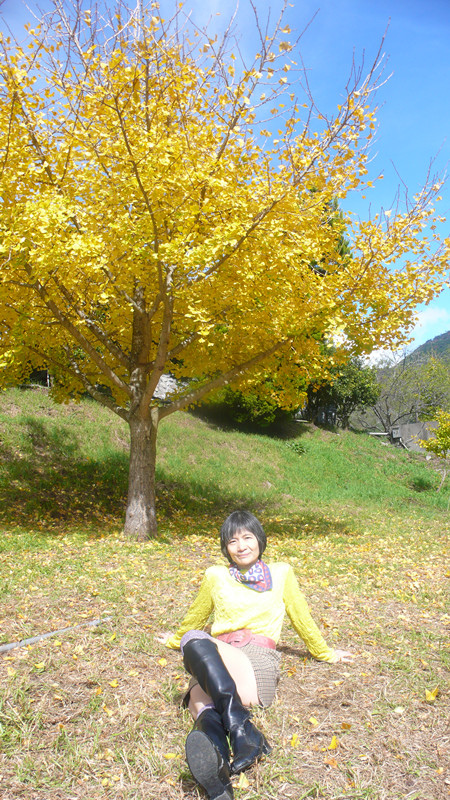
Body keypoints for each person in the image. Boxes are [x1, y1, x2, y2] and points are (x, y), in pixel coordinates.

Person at [157, 510, 354, 800]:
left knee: (195, 646)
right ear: (225, 547)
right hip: (217, 662)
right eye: (232, 541)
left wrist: (325, 653)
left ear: (260, 539)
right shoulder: (216, 576)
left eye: (247, 537)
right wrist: (175, 639)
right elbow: (197, 614)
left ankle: (240, 730)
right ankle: (221, 776)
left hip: (254, 662)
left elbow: (301, 615)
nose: (241, 546)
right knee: (204, 713)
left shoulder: (281, 573)